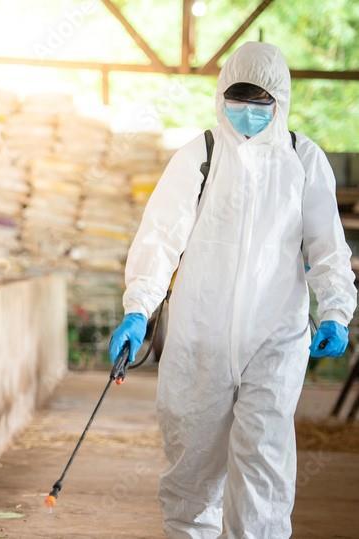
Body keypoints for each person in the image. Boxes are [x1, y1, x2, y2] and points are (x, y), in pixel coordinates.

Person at [108, 41, 356, 538]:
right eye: (237, 100)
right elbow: (161, 238)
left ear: (279, 102)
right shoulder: (199, 156)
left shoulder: (303, 160)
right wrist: (138, 308)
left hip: (275, 340)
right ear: (221, 96)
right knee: (193, 468)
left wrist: (335, 310)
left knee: (263, 469)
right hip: (200, 336)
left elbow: (327, 246)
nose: (247, 112)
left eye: (259, 103)